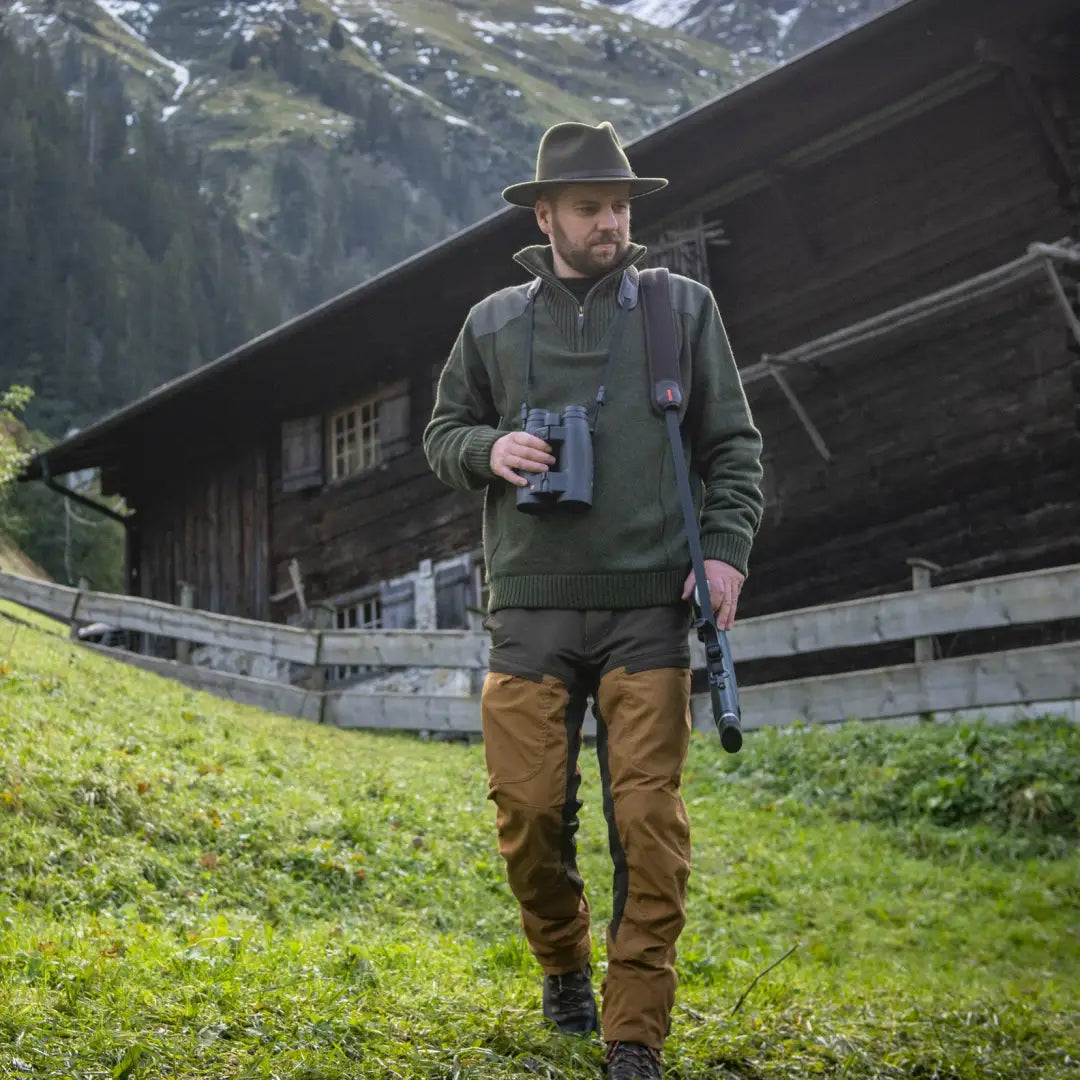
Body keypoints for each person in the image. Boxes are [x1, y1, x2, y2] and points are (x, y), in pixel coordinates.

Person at [423, 121, 764, 1080]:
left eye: (619, 205)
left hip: (649, 605)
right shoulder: (492, 323)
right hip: (529, 603)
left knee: (648, 820)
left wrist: (726, 554)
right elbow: (441, 431)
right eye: (589, 206)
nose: (610, 220)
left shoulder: (680, 311)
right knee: (528, 813)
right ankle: (564, 960)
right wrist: (487, 451)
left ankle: (635, 1031)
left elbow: (734, 448)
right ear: (547, 216)